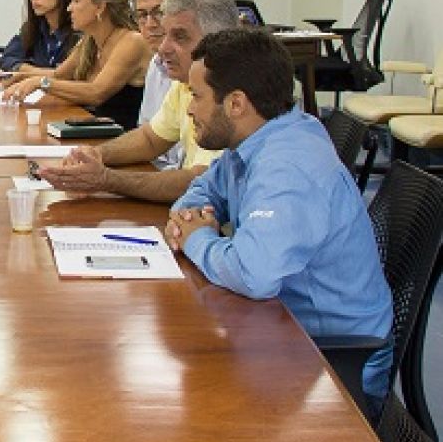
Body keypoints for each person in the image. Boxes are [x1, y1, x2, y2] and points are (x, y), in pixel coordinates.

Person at [166, 28, 393, 413]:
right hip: (285, 331)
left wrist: (195, 239)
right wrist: (193, 216)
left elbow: (254, 274)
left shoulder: (287, 165)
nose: (189, 108)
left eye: (197, 96)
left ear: (236, 103)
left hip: (333, 363)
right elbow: (205, 188)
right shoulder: (257, 141)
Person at [37, 0, 238, 202]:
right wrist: (96, 154)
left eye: (179, 37)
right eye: (165, 34)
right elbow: (151, 138)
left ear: (219, 39)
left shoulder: (231, 93)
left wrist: (106, 179)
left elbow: (201, 180)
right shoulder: (184, 82)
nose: (163, 48)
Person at [1, 0, 151, 130]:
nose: (68, 8)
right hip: (90, 132)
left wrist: (40, 83)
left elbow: (96, 93)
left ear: (100, 7)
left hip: (120, 141)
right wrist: (19, 77)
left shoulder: (132, 41)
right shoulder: (90, 40)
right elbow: (58, 75)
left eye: (76, 1)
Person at [131, 0, 194, 141]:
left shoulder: (201, 70)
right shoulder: (156, 63)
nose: (150, 24)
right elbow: (146, 135)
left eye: (159, 12)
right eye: (142, 15)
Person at [0, 0, 80, 73]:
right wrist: (33, 71)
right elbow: (7, 59)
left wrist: (33, 74)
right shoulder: (34, 27)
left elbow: (72, 75)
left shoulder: (80, 28)